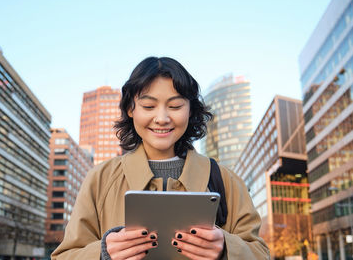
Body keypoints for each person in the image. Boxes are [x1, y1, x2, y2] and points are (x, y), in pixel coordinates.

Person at [51, 57, 269, 260]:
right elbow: (63, 255)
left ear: (191, 110)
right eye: (148, 106)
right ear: (130, 109)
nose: (162, 118)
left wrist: (225, 249)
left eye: (175, 106)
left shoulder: (226, 180)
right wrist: (103, 253)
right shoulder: (100, 179)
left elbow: (260, 252)